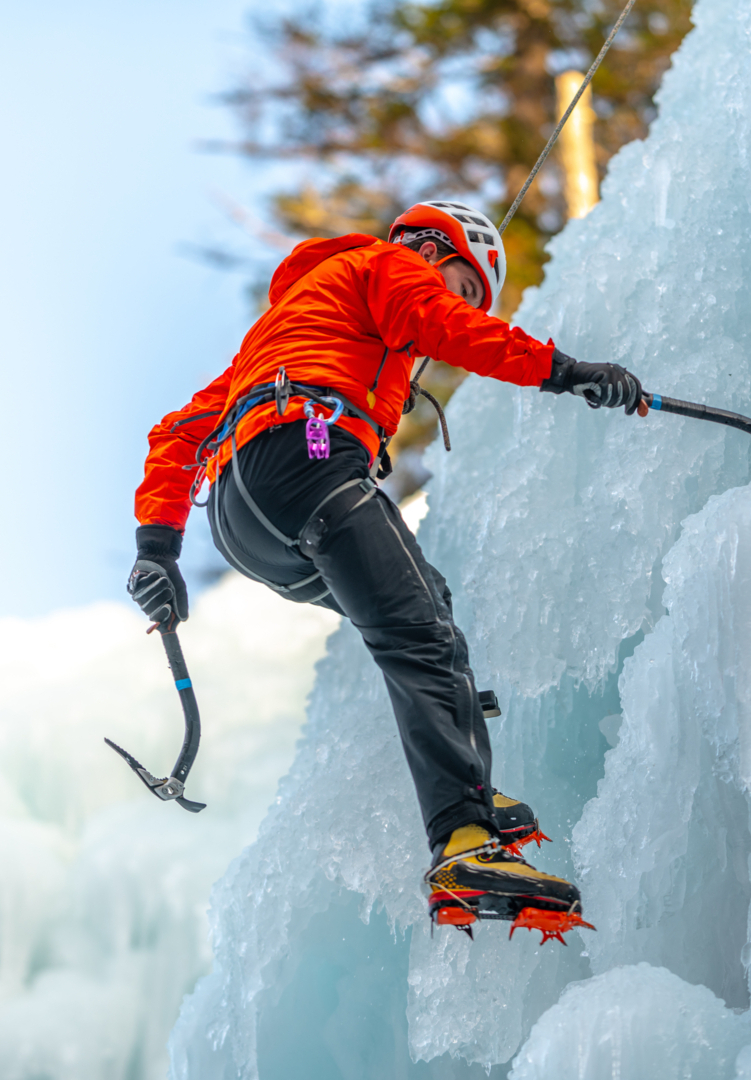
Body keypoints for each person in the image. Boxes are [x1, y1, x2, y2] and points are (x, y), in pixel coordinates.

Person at [129, 200, 643, 937]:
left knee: (421, 604)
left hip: (245, 520)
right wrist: (563, 371)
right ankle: (463, 838)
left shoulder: (289, 327)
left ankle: (464, 780)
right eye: (462, 283)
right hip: (309, 454)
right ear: (435, 250)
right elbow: (449, 326)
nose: (455, 304)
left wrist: (157, 549)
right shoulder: (388, 265)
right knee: (418, 633)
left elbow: (177, 432)